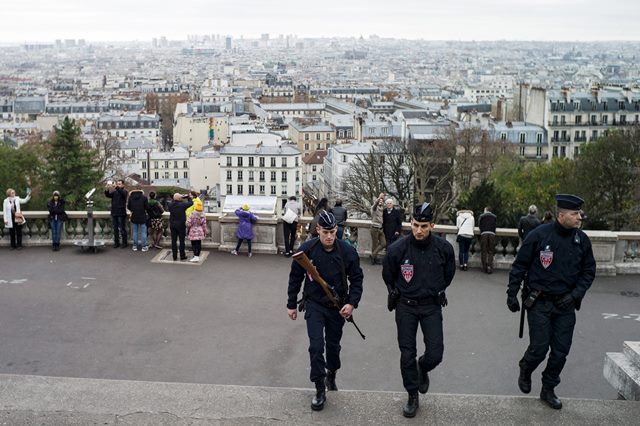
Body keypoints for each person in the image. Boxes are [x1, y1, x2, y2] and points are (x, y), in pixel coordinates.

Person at [507, 194, 596, 410]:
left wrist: (575, 295)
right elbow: (520, 265)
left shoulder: (581, 240)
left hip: (565, 304)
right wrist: (511, 293)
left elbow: (589, 271)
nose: (579, 218)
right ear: (561, 215)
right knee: (539, 348)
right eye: (575, 214)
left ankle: (548, 388)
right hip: (539, 302)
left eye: (579, 214)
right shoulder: (539, 235)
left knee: (560, 351)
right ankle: (526, 368)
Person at [382, 203, 455, 418]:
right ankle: (412, 395)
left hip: (431, 305)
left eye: (424, 226)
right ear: (410, 224)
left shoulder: (444, 248)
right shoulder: (398, 248)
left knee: (435, 353)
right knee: (407, 355)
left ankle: (423, 368)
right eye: (415, 225)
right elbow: (388, 274)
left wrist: (437, 289)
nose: (419, 230)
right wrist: (396, 292)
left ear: (432, 225)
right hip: (406, 306)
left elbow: (449, 274)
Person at [287, 211, 364, 411]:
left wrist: (352, 303)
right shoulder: (307, 249)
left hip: (337, 307)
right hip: (314, 304)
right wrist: (291, 303)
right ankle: (319, 387)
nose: (329, 237)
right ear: (318, 230)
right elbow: (295, 277)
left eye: (332, 232)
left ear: (336, 230)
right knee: (315, 346)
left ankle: (332, 373)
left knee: (333, 347)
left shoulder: (347, 252)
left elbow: (356, 279)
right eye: (325, 232)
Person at [168, 193, 193, 261]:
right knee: (182, 241)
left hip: (172, 225)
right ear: (180, 199)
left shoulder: (170, 205)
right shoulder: (182, 205)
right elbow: (191, 203)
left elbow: (173, 201)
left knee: (173, 241)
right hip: (181, 225)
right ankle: (182, 255)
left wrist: (178, 198)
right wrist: (188, 197)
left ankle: (174, 256)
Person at [105, 179, 129, 248]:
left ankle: (124, 243)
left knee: (122, 229)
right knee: (115, 229)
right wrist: (107, 189)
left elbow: (123, 194)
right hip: (114, 212)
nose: (118, 185)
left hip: (121, 213)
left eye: (119, 184)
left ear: (123, 185)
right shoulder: (115, 192)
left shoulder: (125, 191)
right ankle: (116, 243)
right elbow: (108, 195)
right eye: (117, 184)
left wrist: (116, 187)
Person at [478, 206, 497, 274]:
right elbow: (495, 225)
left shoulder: (482, 216)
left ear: (485, 210)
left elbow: (479, 225)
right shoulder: (494, 216)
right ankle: (489, 266)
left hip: (484, 233)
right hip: (492, 234)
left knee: (484, 251)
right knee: (490, 251)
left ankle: (484, 267)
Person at [370, 193, 386, 265]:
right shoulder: (374, 208)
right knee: (375, 245)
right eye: (380, 201)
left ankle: (372, 256)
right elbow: (375, 205)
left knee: (383, 243)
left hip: (380, 229)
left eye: (382, 201)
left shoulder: (382, 209)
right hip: (374, 228)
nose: (380, 202)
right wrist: (379, 197)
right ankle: (374, 259)